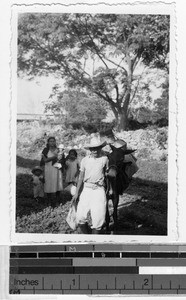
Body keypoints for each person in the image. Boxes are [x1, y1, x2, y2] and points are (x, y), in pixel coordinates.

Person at [71, 138, 108, 234]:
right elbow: (81, 178)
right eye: (93, 149)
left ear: (100, 148)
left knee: (98, 217)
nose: (95, 150)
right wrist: (76, 193)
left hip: (98, 189)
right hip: (86, 189)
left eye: (97, 148)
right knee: (80, 216)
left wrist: (108, 190)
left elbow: (107, 176)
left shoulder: (104, 159)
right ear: (90, 150)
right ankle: (86, 238)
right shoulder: (85, 160)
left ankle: (94, 242)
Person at [40, 137, 64, 202]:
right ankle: (49, 199)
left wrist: (61, 161)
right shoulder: (45, 150)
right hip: (48, 169)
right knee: (49, 182)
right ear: (48, 142)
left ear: (55, 142)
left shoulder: (58, 150)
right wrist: (55, 156)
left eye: (53, 141)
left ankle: (57, 198)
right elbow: (44, 160)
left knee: (57, 182)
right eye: (50, 141)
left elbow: (62, 159)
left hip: (57, 169)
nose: (52, 142)